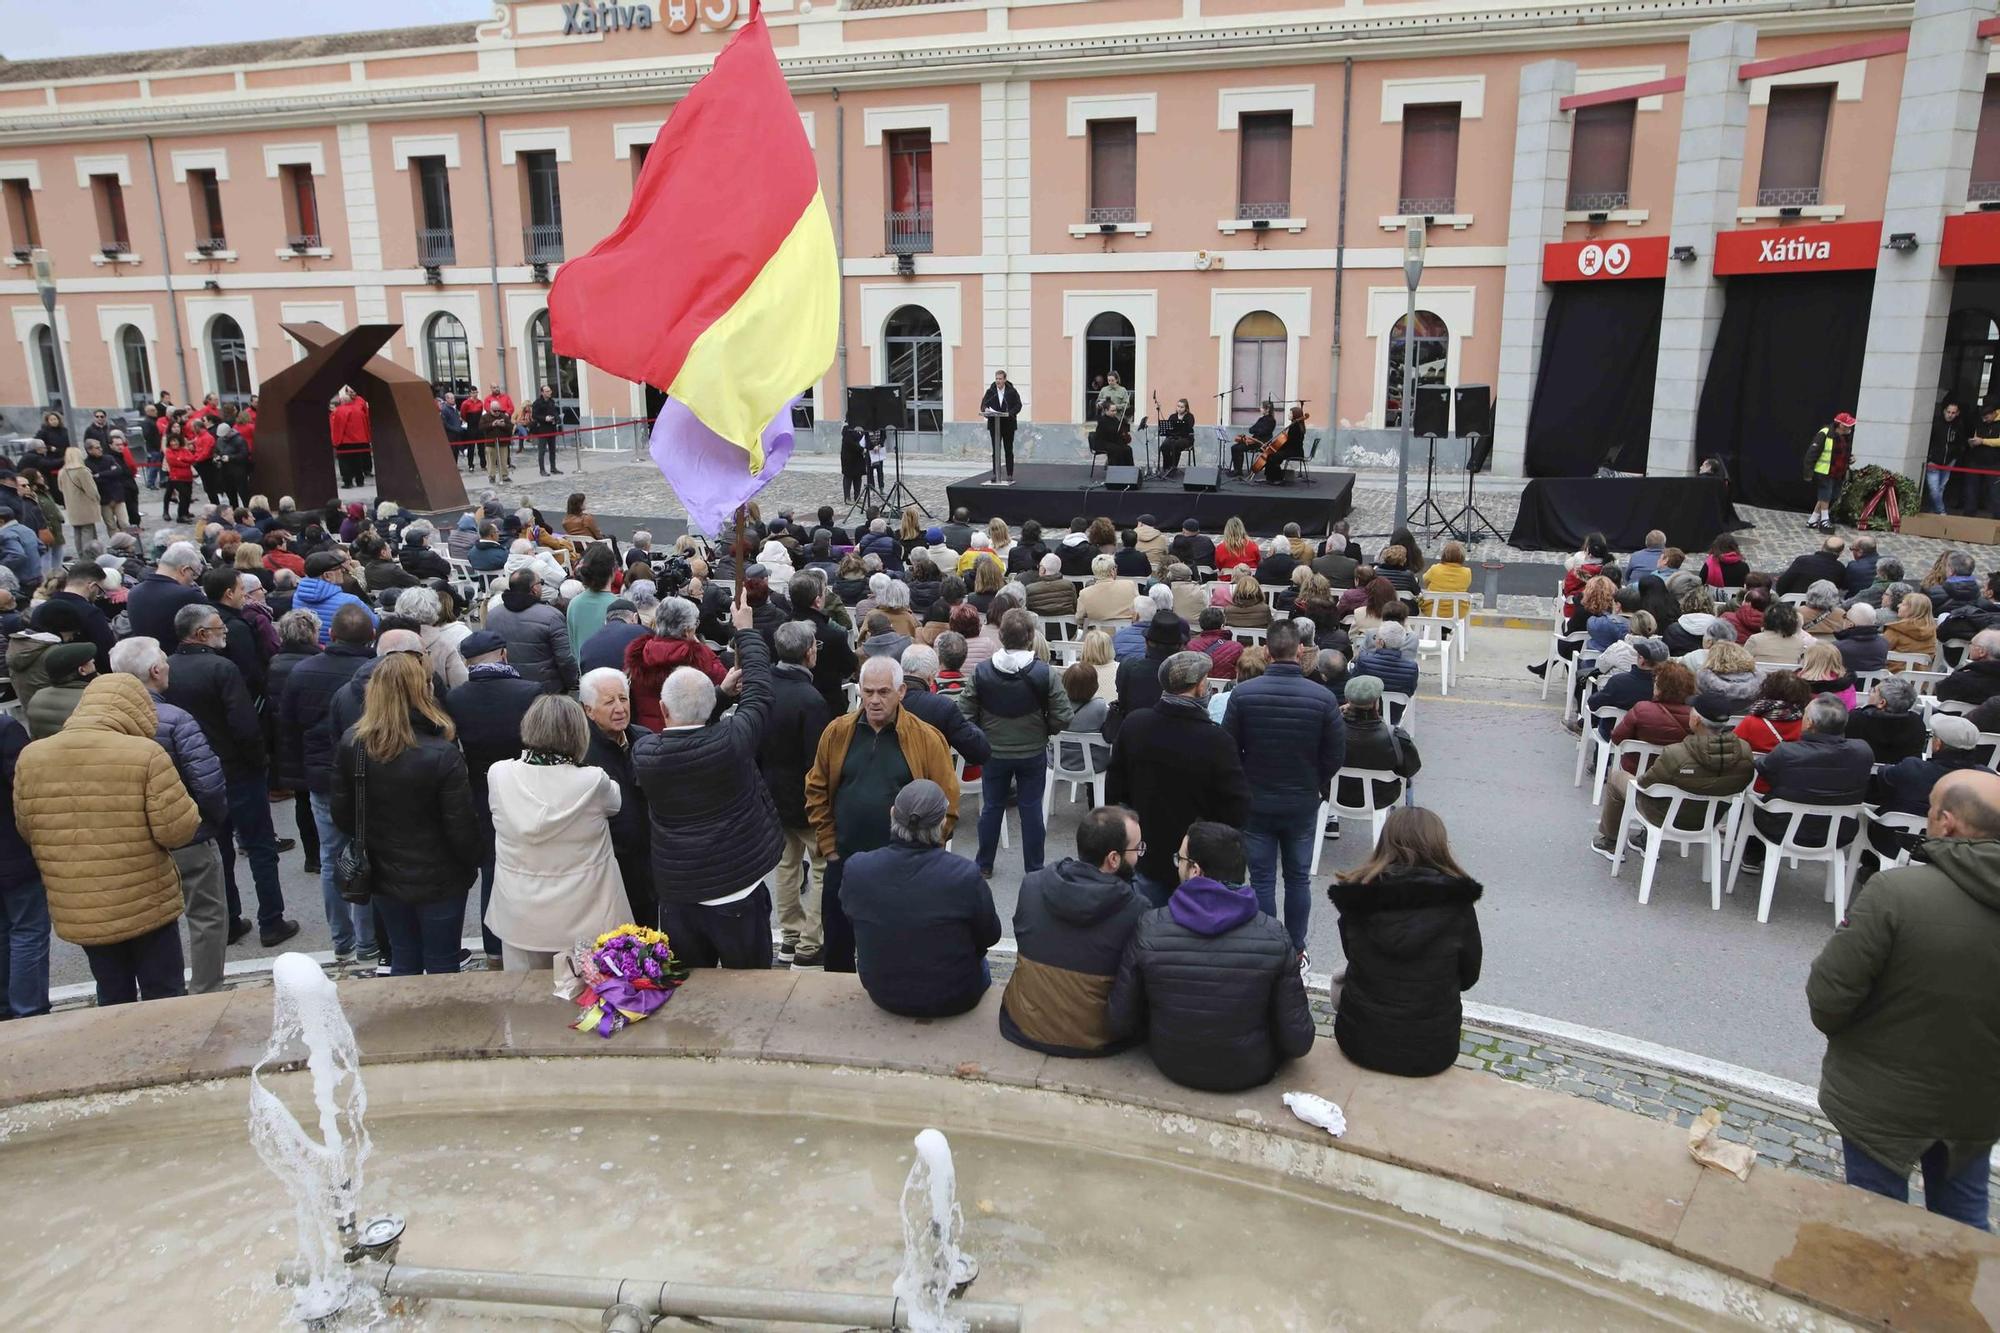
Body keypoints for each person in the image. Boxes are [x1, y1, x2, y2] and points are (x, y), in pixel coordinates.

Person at [1808, 768, 2000, 1230]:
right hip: (1978, 1101)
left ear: (1948, 823)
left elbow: (1829, 996)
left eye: (1931, 808)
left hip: (1883, 1095)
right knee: (1964, 1219)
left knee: (1874, 1220)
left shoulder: (1896, 893)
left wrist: (1857, 1042)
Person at [13, 674, 200, 1005]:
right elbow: (177, 830)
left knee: (112, 991)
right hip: (144, 897)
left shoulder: (32, 757)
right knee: (165, 992)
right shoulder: (145, 754)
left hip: (80, 905)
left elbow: (28, 829)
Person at [1107, 820, 1314, 1092]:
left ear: (1195, 870)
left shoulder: (1150, 927)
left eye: (1179, 858)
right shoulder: (1275, 935)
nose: (1176, 864)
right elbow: (1299, 1040)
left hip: (1171, 1061)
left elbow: (1120, 1020)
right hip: (1250, 1068)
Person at [636, 607, 785, 969]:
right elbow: (760, 694)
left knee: (689, 990)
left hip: (679, 893)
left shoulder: (645, 754)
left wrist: (717, 695)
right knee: (751, 991)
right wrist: (746, 632)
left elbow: (692, 726)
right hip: (737, 888)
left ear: (663, 709)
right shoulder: (732, 741)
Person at [805, 655, 961, 973]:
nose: (875, 700)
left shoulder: (927, 739)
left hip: (901, 871)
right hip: (844, 862)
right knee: (838, 951)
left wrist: (920, 856)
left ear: (901, 691)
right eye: (869, 691)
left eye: (884, 692)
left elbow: (947, 805)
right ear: (859, 690)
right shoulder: (838, 732)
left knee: (897, 953)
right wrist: (830, 846)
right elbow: (815, 789)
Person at [333, 652, 482, 975]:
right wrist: (472, 862)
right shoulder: (441, 753)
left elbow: (343, 815)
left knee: (403, 956)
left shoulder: (354, 745)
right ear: (421, 691)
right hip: (441, 876)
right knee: (442, 961)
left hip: (384, 873)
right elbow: (461, 827)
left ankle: (407, 1022)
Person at [166, 602, 298, 948]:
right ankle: (272, 920)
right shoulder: (221, 669)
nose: (224, 633)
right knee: (259, 846)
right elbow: (244, 724)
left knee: (218, 850)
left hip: (195, 774)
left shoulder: (167, 669)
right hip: (238, 771)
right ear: (201, 634)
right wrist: (261, 764)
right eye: (218, 629)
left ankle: (229, 921)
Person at [110, 636, 233, 989]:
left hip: (132, 839)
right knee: (207, 914)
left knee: (147, 919)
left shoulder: (104, 724)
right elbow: (208, 783)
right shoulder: (175, 719)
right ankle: (206, 989)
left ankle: (160, 989)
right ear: (155, 670)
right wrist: (210, 821)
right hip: (187, 835)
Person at [1221, 620, 1344, 965]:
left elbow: (1229, 748)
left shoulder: (1243, 695)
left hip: (1257, 797)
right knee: (1297, 878)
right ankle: (1296, 946)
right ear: (1301, 651)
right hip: (1301, 799)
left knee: (1261, 877)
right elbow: (1335, 754)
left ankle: (1264, 943)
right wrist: (1314, 780)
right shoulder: (1323, 698)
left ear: (1266, 651)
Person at [1329, 808, 1483, 1077]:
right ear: (1439, 846)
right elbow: (1469, 977)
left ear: (1384, 843)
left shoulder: (1357, 894)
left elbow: (1354, 956)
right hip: (1432, 1052)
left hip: (1359, 1041)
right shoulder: (1457, 903)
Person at [484, 696, 631, 971]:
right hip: (587, 914)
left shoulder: (499, 774)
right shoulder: (593, 780)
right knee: (590, 1002)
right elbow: (616, 804)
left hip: (520, 916)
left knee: (526, 999)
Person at [997, 804, 1148, 1056]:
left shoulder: (1033, 885)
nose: (1139, 855)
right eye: (1137, 849)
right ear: (1113, 859)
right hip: (1095, 1038)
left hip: (1024, 1025)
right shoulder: (1137, 909)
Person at [841, 779, 1001, 1017]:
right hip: (955, 995)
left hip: (883, 992)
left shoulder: (858, 867)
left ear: (893, 814)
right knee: (980, 963)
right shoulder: (964, 874)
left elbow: (852, 917)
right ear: (943, 823)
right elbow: (990, 935)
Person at [1106, 651, 1248, 906]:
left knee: (1145, 926)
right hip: (1197, 859)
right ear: (1200, 686)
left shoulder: (1135, 724)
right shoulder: (1216, 740)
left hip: (1145, 849)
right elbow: (1236, 807)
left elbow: (1115, 788)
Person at [443, 629, 546, 963]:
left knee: (492, 866)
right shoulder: (529, 691)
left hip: (482, 787)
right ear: (503, 655)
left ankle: (494, 946)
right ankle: (535, 936)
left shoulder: (456, 697)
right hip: (527, 785)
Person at [956, 608, 1071, 877]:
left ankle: (984, 864)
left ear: (1001, 635)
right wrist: (1046, 730)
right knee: (1031, 809)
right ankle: (1034, 868)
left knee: (992, 807)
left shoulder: (983, 671)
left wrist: (981, 734)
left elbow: (964, 712)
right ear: (1031, 637)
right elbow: (1064, 715)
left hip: (993, 751)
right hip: (1032, 750)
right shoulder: (1045, 672)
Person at [759, 623, 834, 968]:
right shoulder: (810, 699)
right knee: (819, 868)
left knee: (787, 865)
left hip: (771, 794)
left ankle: (790, 936)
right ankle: (809, 941)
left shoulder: (763, 690)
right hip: (804, 798)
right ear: (809, 653)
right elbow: (817, 761)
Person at [1595, 694, 1752, 857]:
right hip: (1709, 819)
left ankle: (1610, 843)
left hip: (1665, 816)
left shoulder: (1677, 753)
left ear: (1696, 720)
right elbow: (1742, 784)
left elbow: (1645, 785)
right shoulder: (1745, 751)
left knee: (1617, 778)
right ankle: (1642, 839)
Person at [486, 567, 577, 695]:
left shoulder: (492, 615)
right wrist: (570, 683)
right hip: (546, 691)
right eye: (541, 583)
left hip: (509, 687)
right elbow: (565, 659)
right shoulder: (552, 616)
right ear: (534, 589)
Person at [126, 541, 208, 646]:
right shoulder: (187, 595)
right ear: (184, 570)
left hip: (149, 656)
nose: (192, 581)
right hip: (181, 657)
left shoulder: (134, 592)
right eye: (193, 575)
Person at [24, 641, 96, 740]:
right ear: (82, 671)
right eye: (92, 663)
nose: (94, 665)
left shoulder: (37, 697)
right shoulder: (92, 699)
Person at [1803, 412, 1855, 531]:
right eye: (1848, 425)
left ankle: (1812, 520)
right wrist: (1808, 473)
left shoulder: (1846, 436)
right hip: (1824, 471)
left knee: (1831, 495)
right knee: (1825, 494)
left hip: (1838, 471)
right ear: (1841, 425)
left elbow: (1842, 452)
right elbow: (1811, 453)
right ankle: (1824, 520)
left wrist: (1850, 458)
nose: (1850, 428)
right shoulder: (1825, 433)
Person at [981, 370, 1022, 477]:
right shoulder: (991, 391)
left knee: (1008, 450)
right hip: (995, 425)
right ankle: (996, 473)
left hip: (1008, 425)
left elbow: (1018, 405)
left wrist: (1011, 413)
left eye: (1000, 379)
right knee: (996, 450)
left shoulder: (1011, 391)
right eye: (996, 379)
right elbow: (983, 405)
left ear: (1004, 379)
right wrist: (986, 410)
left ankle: (1009, 474)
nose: (998, 381)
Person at [1883, 592, 1938, 667]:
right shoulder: (1931, 631)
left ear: (1913, 609)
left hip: (1892, 674)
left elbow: (1879, 651)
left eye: (1903, 604)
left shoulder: (1896, 629)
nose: (1898, 606)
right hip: (1921, 676)